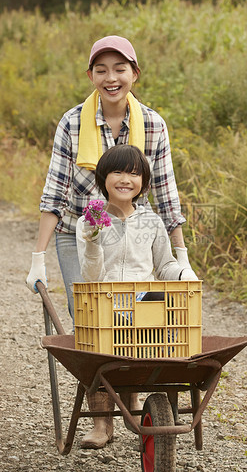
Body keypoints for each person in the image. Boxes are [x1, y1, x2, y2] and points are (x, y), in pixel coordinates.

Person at [25, 35, 196, 449]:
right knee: (92, 318)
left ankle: (134, 407)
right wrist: (38, 257)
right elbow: (55, 192)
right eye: (101, 70)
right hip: (80, 231)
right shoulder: (72, 123)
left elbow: (167, 194)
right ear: (90, 76)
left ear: (134, 74)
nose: (111, 78)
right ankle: (102, 420)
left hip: (135, 228)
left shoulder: (152, 124)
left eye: (120, 69)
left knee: (137, 315)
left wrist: (181, 256)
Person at [77, 144, 198, 283]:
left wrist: (183, 273)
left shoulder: (152, 222)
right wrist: (93, 243)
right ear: (103, 178)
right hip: (104, 300)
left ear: (143, 181)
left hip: (142, 300)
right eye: (117, 172)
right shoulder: (87, 222)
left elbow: (164, 267)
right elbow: (92, 278)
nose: (125, 180)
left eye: (134, 174)